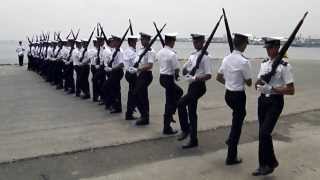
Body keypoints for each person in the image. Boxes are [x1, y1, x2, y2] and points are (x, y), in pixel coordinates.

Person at [252, 37, 295, 176]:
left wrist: (273, 89)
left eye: (270, 48)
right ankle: (262, 165)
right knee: (262, 133)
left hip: (275, 102)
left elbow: (291, 90)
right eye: (267, 48)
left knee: (265, 132)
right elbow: (257, 82)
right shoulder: (264, 64)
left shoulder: (284, 66)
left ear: (277, 48)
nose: (268, 51)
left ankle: (271, 163)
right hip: (263, 100)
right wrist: (259, 85)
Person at [216, 33, 252, 165]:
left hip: (228, 95)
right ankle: (231, 157)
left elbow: (219, 77)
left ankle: (231, 139)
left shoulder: (226, 59)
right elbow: (249, 82)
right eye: (246, 44)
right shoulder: (244, 61)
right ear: (243, 44)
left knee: (237, 116)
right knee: (237, 124)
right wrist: (240, 79)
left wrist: (229, 82)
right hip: (238, 95)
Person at [177, 33, 212, 149]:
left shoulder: (205, 57)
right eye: (194, 41)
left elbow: (208, 75)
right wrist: (185, 70)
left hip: (199, 86)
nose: (195, 43)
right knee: (191, 112)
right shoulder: (192, 55)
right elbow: (185, 71)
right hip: (192, 86)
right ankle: (193, 139)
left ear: (203, 42)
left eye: (197, 41)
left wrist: (196, 78)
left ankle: (186, 130)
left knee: (181, 103)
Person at [156, 33, 183, 135]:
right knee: (179, 93)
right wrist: (177, 76)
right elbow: (176, 69)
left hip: (162, 77)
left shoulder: (160, 52)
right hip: (168, 78)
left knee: (170, 99)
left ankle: (169, 117)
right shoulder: (172, 54)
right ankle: (169, 119)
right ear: (171, 41)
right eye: (174, 41)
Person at [132, 32, 156, 126]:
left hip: (146, 75)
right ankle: (144, 117)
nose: (141, 41)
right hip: (140, 75)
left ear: (148, 40)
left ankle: (144, 117)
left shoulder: (151, 51)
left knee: (137, 94)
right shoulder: (141, 50)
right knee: (142, 96)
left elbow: (150, 65)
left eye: (143, 39)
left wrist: (138, 69)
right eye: (141, 39)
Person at [103, 35, 124, 113]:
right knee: (112, 88)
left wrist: (112, 69)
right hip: (113, 71)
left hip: (117, 72)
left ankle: (116, 107)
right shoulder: (114, 50)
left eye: (114, 40)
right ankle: (113, 105)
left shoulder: (120, 51)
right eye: (113, 40)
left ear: (118, 42)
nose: (113, 42)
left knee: (113, 89)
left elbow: (121, 64)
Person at [123, 35, 139, 120]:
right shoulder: (132, 52)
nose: (136, 43)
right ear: (131, 42)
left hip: (128, 73)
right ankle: (129, 112)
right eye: (135, 41)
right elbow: (135, 63)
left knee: (132, 92)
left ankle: (131, 110)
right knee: (134, 93)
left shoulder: (127, 51)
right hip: (132, 74)